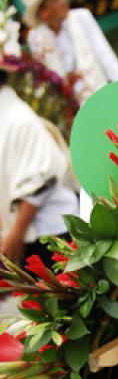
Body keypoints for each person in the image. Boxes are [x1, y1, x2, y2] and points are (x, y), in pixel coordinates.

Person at [0, 67, 78, 264]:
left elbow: (42, 180)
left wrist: (16, 234)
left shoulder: (18, 119)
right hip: (27, 235)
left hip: (53, 232)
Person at [23, 0, 118, 104]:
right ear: (43, 12)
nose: (64, 1)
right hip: (70, 107)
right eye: (56, 0)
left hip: (100, 94)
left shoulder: (81, 17)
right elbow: (44, 77)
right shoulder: (36, 38)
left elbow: (104, 55)